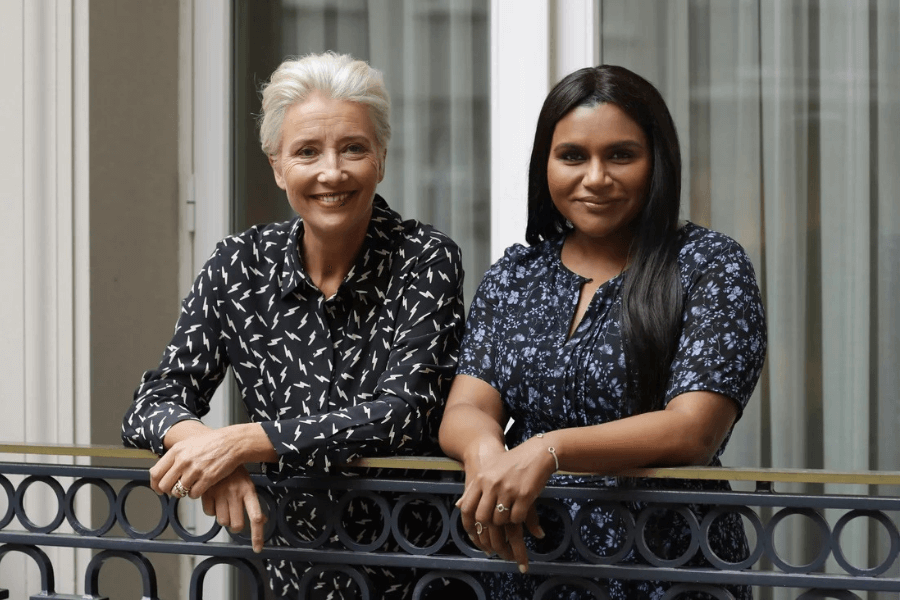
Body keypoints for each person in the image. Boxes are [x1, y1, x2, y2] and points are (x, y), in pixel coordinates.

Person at [122, 51, 465, 599]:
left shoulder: (425, 258)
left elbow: (403, 414)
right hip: (287, 573)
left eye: (353, 147)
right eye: (307, 151)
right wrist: (207, 450)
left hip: (418, 572)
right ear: (278, 166)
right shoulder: (239, 265)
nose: (332, 171)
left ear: (381, 157)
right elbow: (154, 399)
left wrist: (244, 442)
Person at [439, 64, 766, 599]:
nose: (595, 178)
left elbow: (693, 430)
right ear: (544, 164)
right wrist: (485, 455)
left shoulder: (709, 265)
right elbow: (466, 408)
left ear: (656, 162)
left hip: (666, 564)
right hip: (528, 565)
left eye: (621, 155)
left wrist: (546, 450)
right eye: (572, 156)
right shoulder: (515, 275)